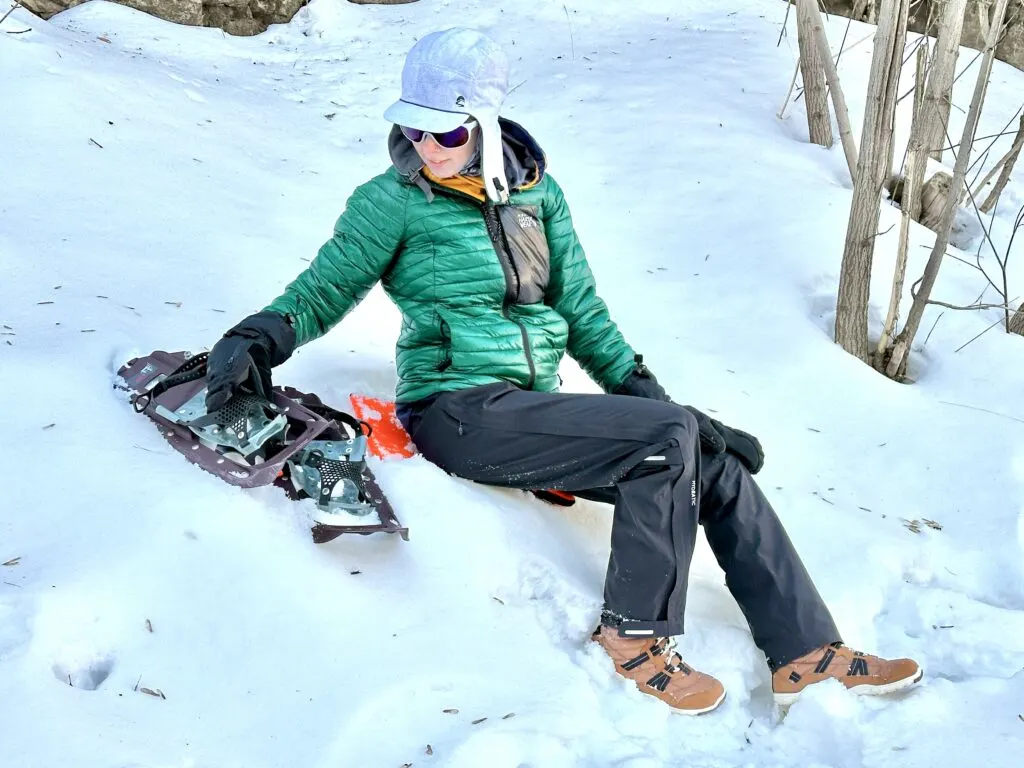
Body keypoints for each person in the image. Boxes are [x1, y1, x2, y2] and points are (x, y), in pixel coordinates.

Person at [203, 28, 922, 714]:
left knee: (704, 454)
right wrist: (254, 341)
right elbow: (325, 288)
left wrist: (660, 405)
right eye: (413, 128)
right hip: (455, 410)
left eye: (446, 133)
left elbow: (581, 312)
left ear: (486, 127)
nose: (426, 146)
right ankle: (634, 637)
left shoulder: (539, 196)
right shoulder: (392, 201)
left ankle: (805, 650)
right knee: (666, 438)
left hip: (528, 409)